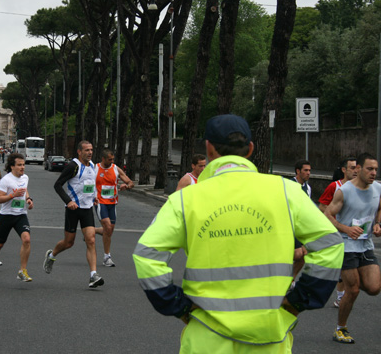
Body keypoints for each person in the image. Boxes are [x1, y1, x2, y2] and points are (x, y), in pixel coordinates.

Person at [133, 114, 344, 353]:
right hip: (269, 335)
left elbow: (147, 256)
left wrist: (178, 306)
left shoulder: (185, 200)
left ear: (208, 148)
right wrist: (300, 301)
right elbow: (331, 246)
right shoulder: (287, 191)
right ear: (250, 149)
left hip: (207, 336)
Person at [324, 152, 381, 344]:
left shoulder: (378, 189)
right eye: (369, 169)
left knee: (374, 288)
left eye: (375, 169)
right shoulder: (345, 190)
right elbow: (328, 215)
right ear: (359, 169)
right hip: (346, 244)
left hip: (365, 244)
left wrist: (378, 223)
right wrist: (346, 228)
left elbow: (379, 208)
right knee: (353, 290)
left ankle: (352, 279)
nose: (373, 173)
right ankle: (341, 328)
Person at [43, 141, 104, 288]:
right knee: (68, 242)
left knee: (91, 240)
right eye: (86, 150)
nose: (90, 153)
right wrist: (68, 201)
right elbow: (57, 185)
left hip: (87, 208)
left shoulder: (93, 166)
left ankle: (93, 275)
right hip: (73, 209)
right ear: (79, 152)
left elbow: (92, 183)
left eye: (91, 150)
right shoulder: (73, 166)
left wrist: (94, 196)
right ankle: (51, 256)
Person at [0, 153, 33, 282]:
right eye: (19, 165)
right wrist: (13, 195)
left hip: (21, 214)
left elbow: (25, 189)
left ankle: (22, 271)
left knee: (26, 239)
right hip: (6, 215)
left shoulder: (25, 177)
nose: (23, 167)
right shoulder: (6, 180)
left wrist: (28, 199)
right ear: (12, 166)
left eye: (23, 165)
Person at [318, 157, 357, 308]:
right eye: (352, 167)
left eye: (357, 168)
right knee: (343, 265)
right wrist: (335, 220)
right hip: (337, 232)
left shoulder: (359, 187)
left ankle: (341, 295)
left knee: (347, 266)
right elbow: (322, 206)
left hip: (354, 232)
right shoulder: (335, 186)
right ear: (344, 170)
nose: (355, 170)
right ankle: (340, 296)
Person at [93, 148, 134, 267]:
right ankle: (107, 257)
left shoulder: (115, 168)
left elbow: (130, 182)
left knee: (109, 230)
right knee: (107, 226)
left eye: (113, 159)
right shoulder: (95, 168)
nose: (112, 161)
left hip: (112, 202)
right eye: (109, 159)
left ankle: (92, 231)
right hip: (100, 202)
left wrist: (127, 186)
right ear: (103, 159)